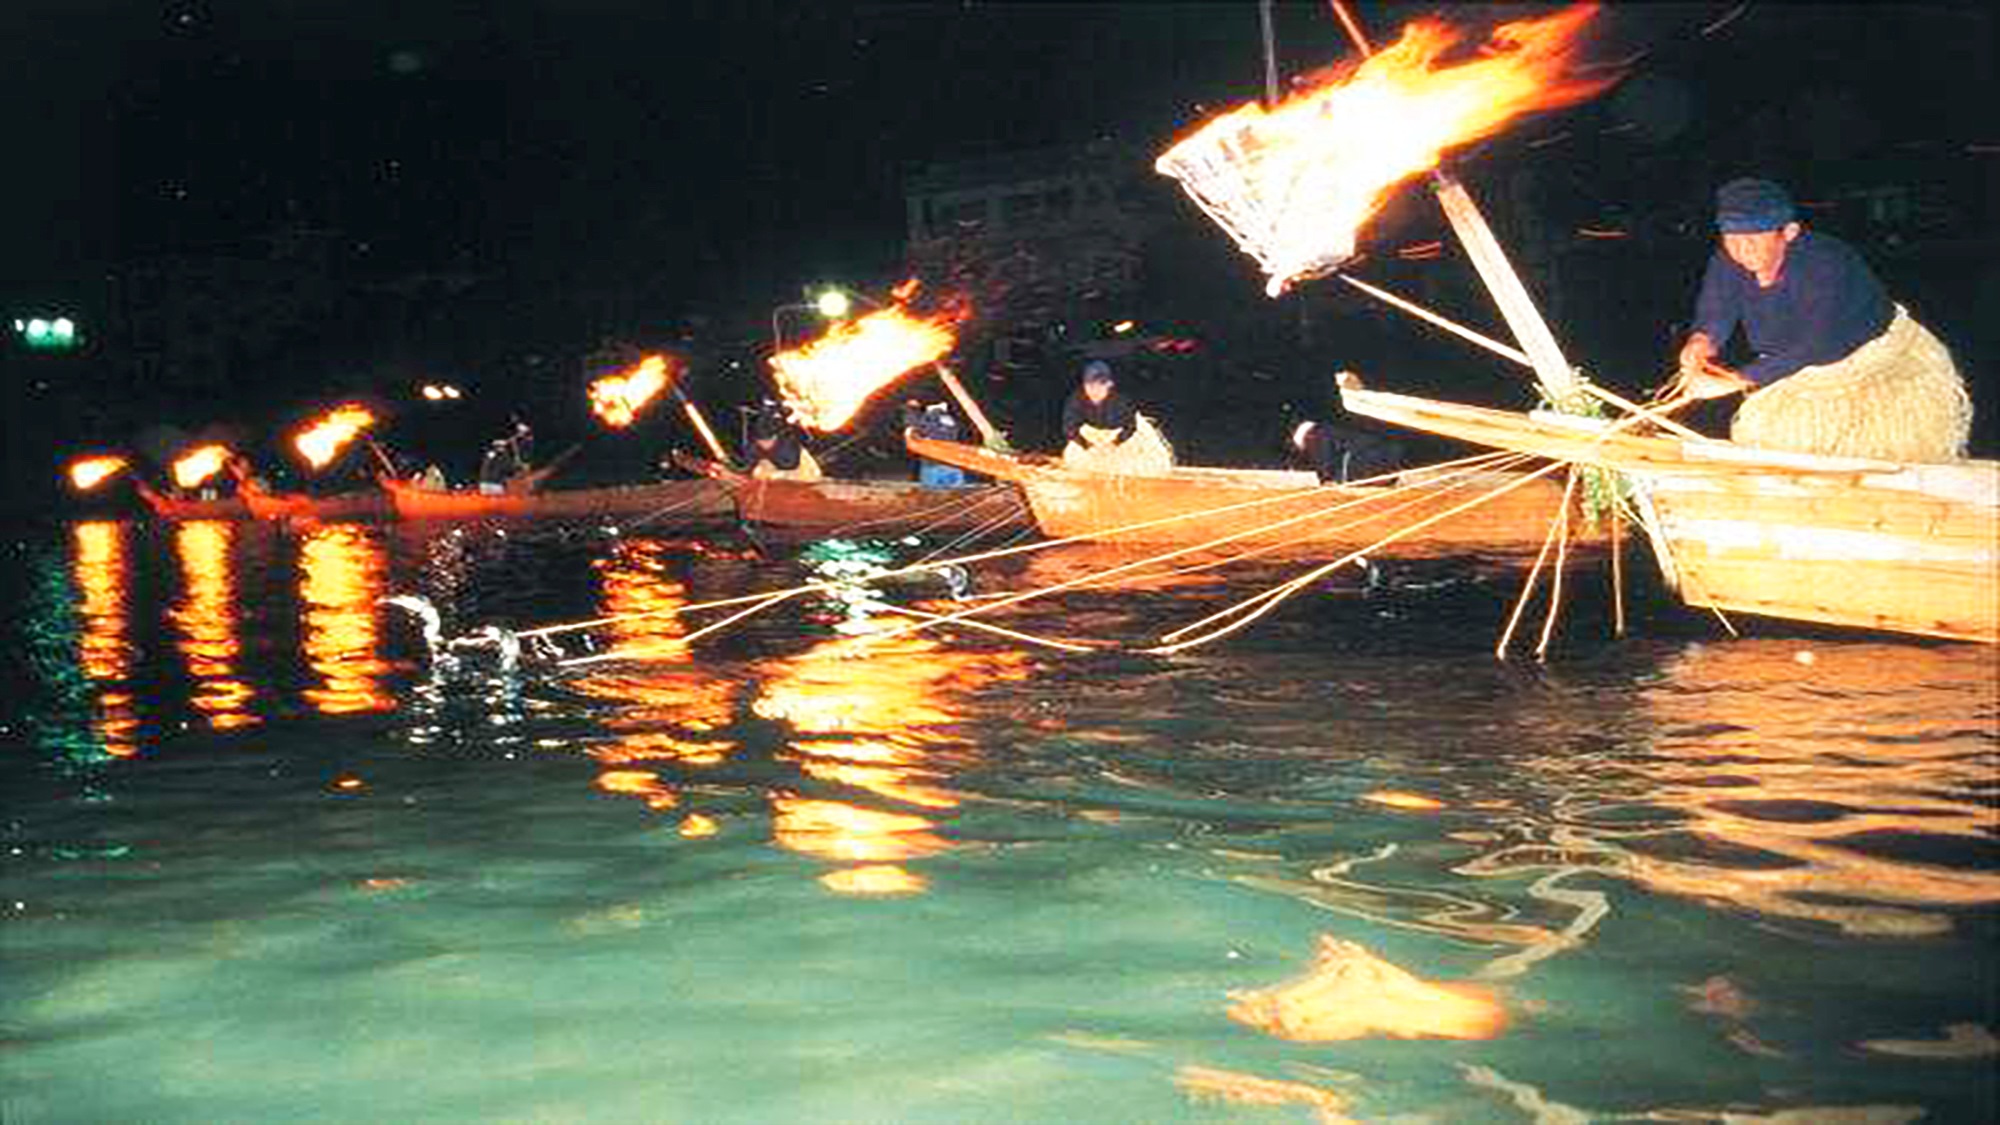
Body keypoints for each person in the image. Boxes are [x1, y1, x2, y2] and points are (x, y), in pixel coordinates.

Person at [1669, 177, 1970, 462]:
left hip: (1873, 364)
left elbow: (1818, 344)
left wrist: (1734, 380)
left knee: (1883, 455)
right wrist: (1702, 340)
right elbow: (1717, 310)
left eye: (1754, 239)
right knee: (1769, 440)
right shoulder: (1727, 259)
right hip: (1798, 368)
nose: (1742, 250)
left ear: (1788, 233)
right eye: (1731, 239)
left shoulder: (1826, 264)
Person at [1060, 360, 1173, 474]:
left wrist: (1114, 443)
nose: (1094, 390)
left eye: (1100, 385)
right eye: (1089, 385)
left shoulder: (1122, 402)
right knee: (1075, 461)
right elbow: (1069, 427)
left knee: (1135, 468)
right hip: (1090, 438)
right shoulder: (1075, 400)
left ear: (1109, 384)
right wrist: (1086, 445)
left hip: (1121, 438)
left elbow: (1130, 427)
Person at [747, 400, 822, 481]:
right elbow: (752, 462)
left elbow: (791, 466)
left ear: (774, 438)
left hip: (802, 472)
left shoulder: (787, 447)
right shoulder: (754, 447)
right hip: (775, 470)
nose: (764, 444)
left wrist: (776, 475)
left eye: (767, 441)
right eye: (760, 442)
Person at [902, 398, 967, 488]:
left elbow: (918, 426)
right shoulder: (951, 419)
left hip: (934, 464)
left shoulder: (931, 417)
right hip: (952, 462)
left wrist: (911, 409)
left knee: (934, 493)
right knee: (957, 493)